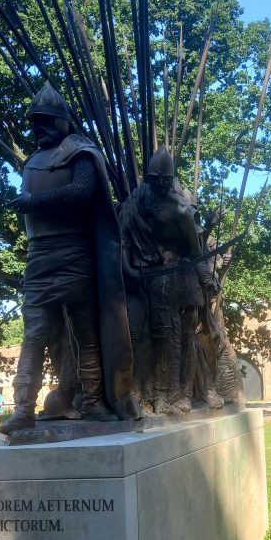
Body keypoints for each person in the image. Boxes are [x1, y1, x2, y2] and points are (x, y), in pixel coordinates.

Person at [2, 82, 134, 433]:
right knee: (34, 335)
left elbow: (81, 191)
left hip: (76, 255)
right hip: (39, 257)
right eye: (35, 122)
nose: (39, 127)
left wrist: (35, 202)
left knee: (86, 336)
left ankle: (93, 402)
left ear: (63, 120)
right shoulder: (33, 161)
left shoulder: (80, 152)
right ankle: (23, 409)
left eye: (46, 120)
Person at [119, 146, 217, 414]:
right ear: (148, 178)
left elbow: (196, 250)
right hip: (137, 275)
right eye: (156, 180)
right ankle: (136, 392)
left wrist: (205, 276)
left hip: (169, 277)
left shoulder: (181, 210)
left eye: (166, 180)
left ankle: (165, 394)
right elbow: (123, 234)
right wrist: (126, 266)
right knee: (135, 333)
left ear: (171, 180)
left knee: (166, 334)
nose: (161, 185)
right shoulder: (137, 199)